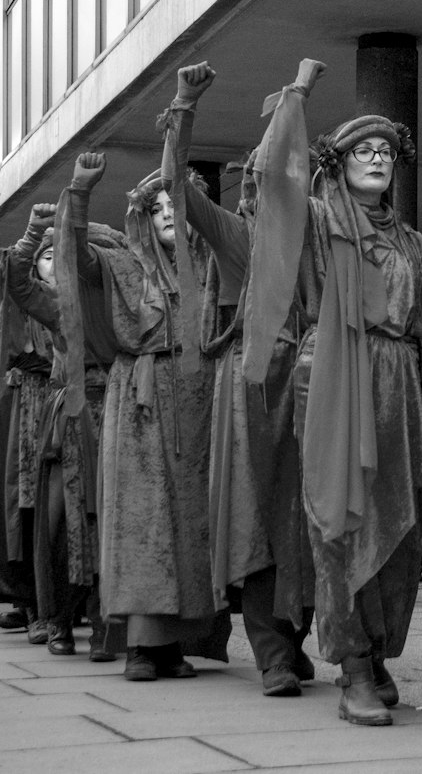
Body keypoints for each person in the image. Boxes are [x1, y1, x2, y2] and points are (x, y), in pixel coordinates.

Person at [242, 62, 422, 727]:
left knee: (399, 536)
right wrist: (297, 94)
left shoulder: (416, 246)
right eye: (363, 150)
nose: (377, 160)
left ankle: (380, 654)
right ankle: (353, 666)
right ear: (339, 161)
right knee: (340, 527)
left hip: (400, 392)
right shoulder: (316, 221)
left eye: (386, 152)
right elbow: (271, 178)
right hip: (334, 382)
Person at [157, 60, 315, 697]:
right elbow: (176, 185)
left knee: (307, 521)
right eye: (257, 176)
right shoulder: (235, 233)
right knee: (257, 524)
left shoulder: (321, 234)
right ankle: (273, 653)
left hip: (314, 388)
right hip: (253, 390)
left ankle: (295, 640)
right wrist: (184, 107)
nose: (268, 183)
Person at [71, 151, 229, 681]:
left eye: (176, 203)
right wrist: (79, 196)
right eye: (156, 205)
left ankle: (174, 645)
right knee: (142, 523)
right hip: (138, 401)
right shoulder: (122, 263)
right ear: (141, 215)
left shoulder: (208, 265)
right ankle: (139, 646)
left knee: (190, 523)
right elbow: (74, 255)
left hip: (198, 396)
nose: (167, 212)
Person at [11, 172, 122, 660]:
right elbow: (17, 282)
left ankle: (103, 625)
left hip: (120, 410)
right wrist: (35, 233)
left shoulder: (123, 299)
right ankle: (57, 618)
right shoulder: (55, 302)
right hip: (70, 418)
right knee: (58, 523)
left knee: (111, 522)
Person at [1, 204, 63, 648]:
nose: (53, 263)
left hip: (64, 402)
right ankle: (30, 601)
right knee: (27, 503)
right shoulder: (28, 302)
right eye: (45, 256)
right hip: (30, 409)